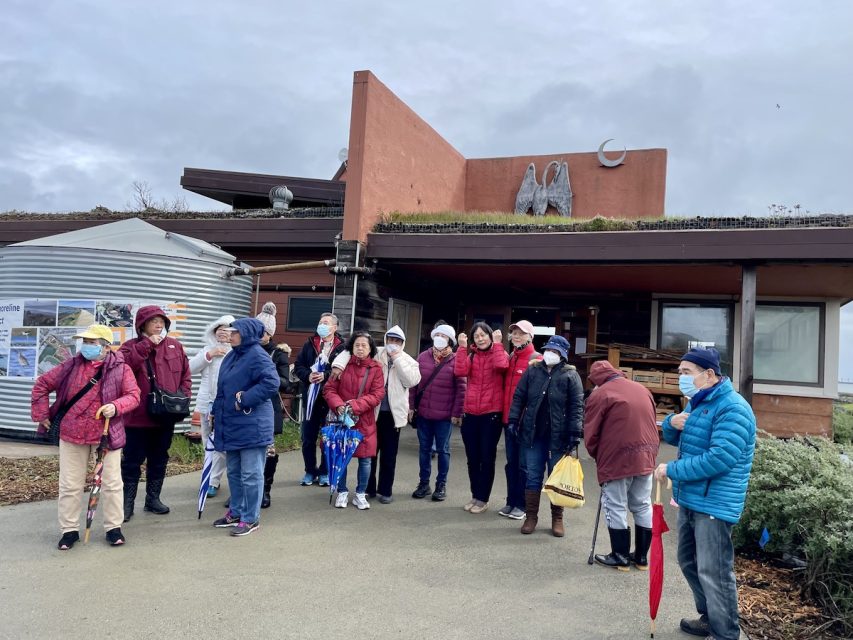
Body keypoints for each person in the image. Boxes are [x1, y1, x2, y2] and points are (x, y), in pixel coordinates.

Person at [654, 347, 756, 640]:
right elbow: (678, 434)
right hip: (692, 499)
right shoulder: (697, 402)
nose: (681, 378)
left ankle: (725, 633)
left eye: (687, 372)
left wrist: (672, 469)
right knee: (689, 562)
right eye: (680, 373)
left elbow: (720, 458)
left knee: (715, 571)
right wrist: (670, 423)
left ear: (709, 374)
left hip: (715, 503)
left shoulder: (732, 408)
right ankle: (710, 616)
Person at [31, 324, 140, 549]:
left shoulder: (121, 368)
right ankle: (69, 530)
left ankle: (113, 527)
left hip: (106, 435)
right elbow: (42, 384)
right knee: (70, 484)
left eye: (92, 342)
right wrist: (42, 414)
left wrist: (115, 406)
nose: (87, 346)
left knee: (111, 484)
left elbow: (134, 395)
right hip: (72, 432)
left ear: (106, 346)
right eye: (86, 342)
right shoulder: (71, 365)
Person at [332, 326, 421, 504]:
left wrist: (396, 358)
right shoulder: (377, 352)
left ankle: (385, 490)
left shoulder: (408, 360)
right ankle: (368, 489)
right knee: (370, 453)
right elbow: (350, 351)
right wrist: (338, 365)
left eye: (397, 341)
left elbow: (411, 380)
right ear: (386, 340)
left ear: (402, 343)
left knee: (389, 455)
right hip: (372, 412)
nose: (393, 344)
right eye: (390, 340)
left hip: (394, 415)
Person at [584, 360, 659, 570]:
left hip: (617, 457)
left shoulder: (600, 394)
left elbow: (591, 432)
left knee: (615, 505)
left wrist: (597, 455)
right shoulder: (642, 389)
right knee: (642, 503)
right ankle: (642, 557)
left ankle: (620, 556)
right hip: (646, 455)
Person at [119, 305, 191, 522]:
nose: (159, 325)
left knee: (159, 458)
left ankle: (153, 499)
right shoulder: (130, 347)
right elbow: (123, 367)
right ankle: (127, 503)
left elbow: (186, 376)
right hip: (137, 418)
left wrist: (183, 396)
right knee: (132, 461)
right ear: (142, 325)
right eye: (153, 321)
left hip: (165, 416)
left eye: (162, 321)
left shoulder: (175, 346)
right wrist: (147, 345)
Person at [507, 335, 583, 536]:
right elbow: (519, 397)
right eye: (550, 350)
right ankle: (531, 516)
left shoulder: (570, 375)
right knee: (533, 475)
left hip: (559, 436)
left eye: (556, 352)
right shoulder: (533, 371)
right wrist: (513, 420)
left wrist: (575, 434)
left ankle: (557, 518)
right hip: (533, 433)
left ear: (563, 355)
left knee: (555, 477)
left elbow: (577, 406)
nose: (551, 354)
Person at [210, 318, 279, 536]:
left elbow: (271, 383)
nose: (229, 335)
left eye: (234, 332)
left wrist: (244, 399)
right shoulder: (233, 355)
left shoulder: (258, 355)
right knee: (234, 472)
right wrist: (215, 412)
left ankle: (251, 518)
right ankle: (236, 512)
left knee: (251, 474)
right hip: (232, 423)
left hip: (252, 424)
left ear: (246, 334)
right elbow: (224, 389)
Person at [323, 331, 385, 509]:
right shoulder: (342, 367)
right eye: (357, 345)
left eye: (364, 345)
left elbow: (378, 394)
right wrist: (339, 405)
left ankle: (360, 493)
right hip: (342, 420)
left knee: (365, 459)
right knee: (342, 457)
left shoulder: (375, 368)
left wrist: (356, 405)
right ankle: (341, 491)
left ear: (370, 348)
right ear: (351, 347)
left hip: (364, 420)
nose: (360, 348)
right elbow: (329, 389)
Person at [454, 321, 509, 514]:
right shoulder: (470, 355)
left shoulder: (499, 353)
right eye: (476, 336)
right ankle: (475, 495)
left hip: (491, 414)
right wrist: (461, 348)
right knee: (472, 458)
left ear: (490, 336)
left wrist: (498, 343)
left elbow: (502, 366)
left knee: (487, 458)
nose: (480, 338)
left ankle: (483, 499)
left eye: (483, 335)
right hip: (470, 414)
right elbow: (459, 371)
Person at [409, 323, 466, 501]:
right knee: (424, 450)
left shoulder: (456, 360)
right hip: (424, 413)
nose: (440, 338)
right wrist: (411, 406)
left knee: (443, 450)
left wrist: (457, 413)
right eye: (437, 335)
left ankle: (441, 484)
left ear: (450, 340)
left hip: (444, 416)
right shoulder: (423, 357)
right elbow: (413, 383)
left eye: (444, 336)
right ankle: (423, 483)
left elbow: (461, 389)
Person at [293, 312, 346, 486]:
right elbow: (299, 366)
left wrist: (326, 375)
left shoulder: (342, 347)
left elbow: (345, 371)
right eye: (320, 322)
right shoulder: (310, 344)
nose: (322, 325)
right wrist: (308, 376)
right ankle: (310, 470)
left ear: (334, 327)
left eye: (326, 323)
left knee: (327, 437)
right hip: (310, 398)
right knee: (308, 437)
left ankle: (324, 471)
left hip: (330, 399)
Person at [189, 314, 235, 499]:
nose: (223, 332)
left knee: (222, 444)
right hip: (206, 403)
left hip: (226, 405)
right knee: (207, 442)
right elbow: (190, 368)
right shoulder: (207, 349)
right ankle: (207, 478)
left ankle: (213, 481)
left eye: (227, 329)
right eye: (219, 328)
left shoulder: (236, 352)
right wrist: (210, 354)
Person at [499, 320, 540, 520]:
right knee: (511, 463)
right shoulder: (511, 357)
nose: (516, 336)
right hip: (509, 421)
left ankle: (522, 505)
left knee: (524, 464)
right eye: (514, 332)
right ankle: (511, 501)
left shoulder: (536, 359)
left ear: (530, 336)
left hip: (525, 424)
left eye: (521, 333)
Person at [255, 302, 294, 509]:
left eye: (264, 332)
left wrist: (267, 376)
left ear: (270, 334)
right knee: (247, 450)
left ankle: (265, 490)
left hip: (269, 406)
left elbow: (285, 382)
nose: (260, 335)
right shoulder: (245, 350)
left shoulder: (278, 353)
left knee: (268, 450)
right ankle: (246, 489)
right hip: (247, 408)